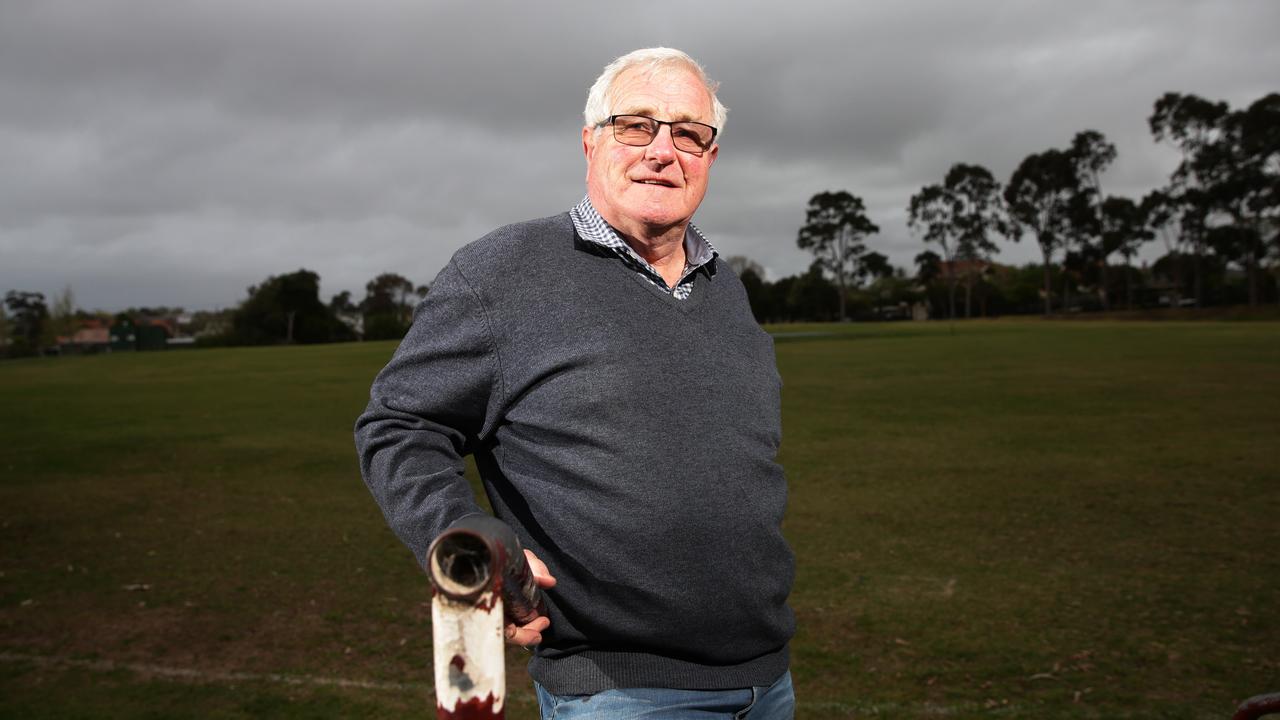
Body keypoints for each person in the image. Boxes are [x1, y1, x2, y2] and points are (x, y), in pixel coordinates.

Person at [355, 47, 795, 719]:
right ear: (590, 141)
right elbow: (400, 424)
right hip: (619, 692)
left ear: (710, 155)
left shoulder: (724, 285)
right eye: (636, 125)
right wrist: (462, 531)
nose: (662, 149)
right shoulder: (501, 274)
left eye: (689, 133)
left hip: (766, 681)